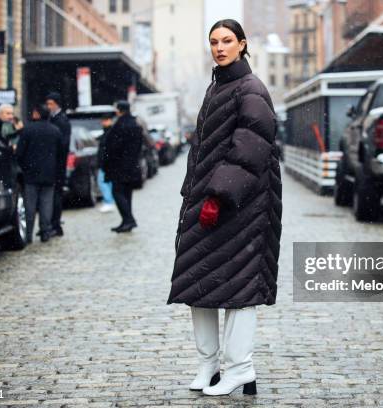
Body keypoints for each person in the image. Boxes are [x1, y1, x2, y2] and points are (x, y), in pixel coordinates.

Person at [166, 19, 282, 396]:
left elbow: (251, 147)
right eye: (213, 41)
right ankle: (208, 366)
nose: (219, 47)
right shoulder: (218, 86)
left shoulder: (251, 88)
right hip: (208, 201)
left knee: (240, 288)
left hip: (242, 206)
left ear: (242, 44)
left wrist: (217, 195)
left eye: (227, 41)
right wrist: (193, 193)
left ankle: (239, 369)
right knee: (197, 282)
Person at [15, 105, 63, 243]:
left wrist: (24, 167)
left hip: (31, 173)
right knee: (46, 204)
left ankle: (28, 234)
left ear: (36, 114)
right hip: (49, 173)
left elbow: (20, 153)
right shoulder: (55, 131)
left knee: (30, 205)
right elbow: (61, 154)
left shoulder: (28, 130)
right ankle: (45, 232)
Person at [103, 100, 143, 233]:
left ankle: (129, 219)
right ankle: (126, 221)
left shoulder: (120, 125)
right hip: (131, 165)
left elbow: (114, 146)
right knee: (127, 193)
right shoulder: (134, 124)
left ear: (119, 110)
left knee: (117, 192)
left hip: (119, 166)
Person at [45, 92, 72, 237]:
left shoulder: (61, 120)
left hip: (57, 164)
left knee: (55, 195)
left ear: (56, 103)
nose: (48, 107)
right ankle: (52, 223)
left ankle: (55, 224)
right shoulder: (54, 119)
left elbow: (63, 144)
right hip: (54, 164)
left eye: (50, 104)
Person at [96, 112, 115, 213]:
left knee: (102, 182)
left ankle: (108, 202)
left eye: (104, 121)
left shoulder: (109, 133)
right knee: (107, 182)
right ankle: (109, 201)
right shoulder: (108, 133)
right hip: (106, 162)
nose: (102, 123)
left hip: (106, 163)